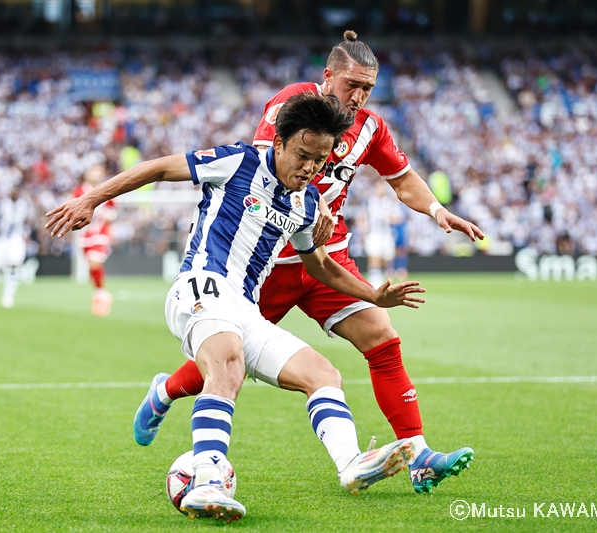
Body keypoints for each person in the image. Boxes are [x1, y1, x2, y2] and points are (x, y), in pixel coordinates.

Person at [46, 94, 427, 522]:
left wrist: (373, 296)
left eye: (320, 161)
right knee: (228, 365)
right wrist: (90, 200)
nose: (310, 168)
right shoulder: (238, 161)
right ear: (278, 143)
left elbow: (320, 266)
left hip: (244, 307)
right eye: (302, 156)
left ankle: (351, 462)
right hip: (200, 285)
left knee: (324, 375)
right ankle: (207, 479)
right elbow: (157, 168)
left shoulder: (305, 204)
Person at [134, 31, 484, 494]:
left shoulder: (372, 129)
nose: (358, 96)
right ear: (328, 76)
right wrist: (310, 200)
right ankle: (164, 392)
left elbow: (402, 179)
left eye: (367, 88)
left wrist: (437, 210)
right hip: (264, 263)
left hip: (324, 260)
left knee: (382, 338)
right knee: (225, 357)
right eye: (351, 84)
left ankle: (418, 454)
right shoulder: (294, 103)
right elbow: (268, 164)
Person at [73, 164, 117, 316]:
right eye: (94, 172)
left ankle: (102, 294)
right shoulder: (80, 191)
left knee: (94, 262)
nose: (96, 175)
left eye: (99, 172)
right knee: (92, 267)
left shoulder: (107, 190)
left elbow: (112, 211)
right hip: (85, 234)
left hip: (100, 233)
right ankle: (99, 293)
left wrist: (110, 218)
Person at [0, 189, 31, 308]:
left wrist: (26, 234)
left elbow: (27, 221)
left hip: (16, 239)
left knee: (14, 264)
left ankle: (8, 295)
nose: (14, 193)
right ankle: (4, 277)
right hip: (2, 239)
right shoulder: (2, 205)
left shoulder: (23, 205)